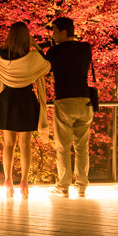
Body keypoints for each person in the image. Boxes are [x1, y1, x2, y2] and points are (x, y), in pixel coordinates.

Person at [0, 22, 51, 199]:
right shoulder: (32, 57)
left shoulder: (2, 57)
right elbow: (47, 66)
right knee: (25, 144)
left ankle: (8, 180)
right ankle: (24, 181)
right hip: (26, 99)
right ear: (26, 37)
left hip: (7, 99)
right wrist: (36, 46)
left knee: (8, 144)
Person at [45, 17, 93, 197]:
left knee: (63, 146)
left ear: (64, 32)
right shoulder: (85, 48)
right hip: (85, 100)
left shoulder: (55, 51)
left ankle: (63, 186)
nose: (53, 35)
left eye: (55, 31)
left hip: (65, 100)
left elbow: (45, 68)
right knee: (82, 145)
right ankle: (81, 186)